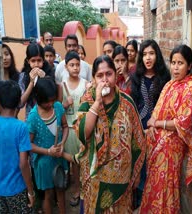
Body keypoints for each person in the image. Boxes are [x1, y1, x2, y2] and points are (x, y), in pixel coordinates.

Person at [73, 55, 146, 213]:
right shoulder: (88, 100)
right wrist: (98, 102)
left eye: (109, 74)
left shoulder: (127, 103)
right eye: (100, 76)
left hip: (122, 178)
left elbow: (138, 140)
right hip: (95, 178)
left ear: (115, 75)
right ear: (93, 79)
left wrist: (136, 173)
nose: (105, 80)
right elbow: (83, 133)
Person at [140, 44, 192, 213]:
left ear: (189, 66)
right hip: (156, 144)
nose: (175, 67)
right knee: (153, 183)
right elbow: (156, 112)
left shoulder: (190, 89)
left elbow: (183, 122)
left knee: (167, 186)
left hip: (172, 148)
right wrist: (152, 123)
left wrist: (157, 124)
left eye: (180, 63)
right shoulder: (169, 85)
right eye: (173, 63)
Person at [0, 80, 34, 213]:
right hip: (17, 189)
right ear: (18, 103)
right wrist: (30, 191)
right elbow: (23, 163)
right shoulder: (21, 127)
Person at [130, 39, 171, 209]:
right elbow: (134, 102)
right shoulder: (136, 76)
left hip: (158, 128)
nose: (148, 58)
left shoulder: (164, 77)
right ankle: (140, 201)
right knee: (141, 164)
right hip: (140, 127)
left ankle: (153, 203)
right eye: (145, 54)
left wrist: (157, 125)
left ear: (157, 56)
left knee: (155, 166)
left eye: (151, 54)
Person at [27, 77, 69, 214]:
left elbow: (65, 127)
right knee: (49, 195)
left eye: (53, 99)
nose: (50, 103)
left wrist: (62, 144)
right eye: (47, 101)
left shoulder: (57, 107)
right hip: (44, 163)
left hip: (59, 157)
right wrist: (47, 151)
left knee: (61, 190)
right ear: (38, 98)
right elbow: (28, 144)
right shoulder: (33, 117)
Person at [60, 51, 87, 207]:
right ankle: (77, 189)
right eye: (72, 65)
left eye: (77, 65)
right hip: (69, 129)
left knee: (84, 161)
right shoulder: (61, 86)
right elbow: (57, 110)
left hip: (83, 128)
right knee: (74, 164)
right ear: (66, 67)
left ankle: (85, 188)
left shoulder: (86, 84)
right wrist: (64, 104)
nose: (75, 68)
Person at [18, 42, 55, 119]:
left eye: (39, 60)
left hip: (47, 115)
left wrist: (44, 79)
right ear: (28, 61)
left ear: (43, 60)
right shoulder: (23, 76)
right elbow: (21, 103)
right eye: (33, 61)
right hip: (31, 116)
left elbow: (53, 96)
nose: (36, 64)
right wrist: (31, 82)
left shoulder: (49, 73)